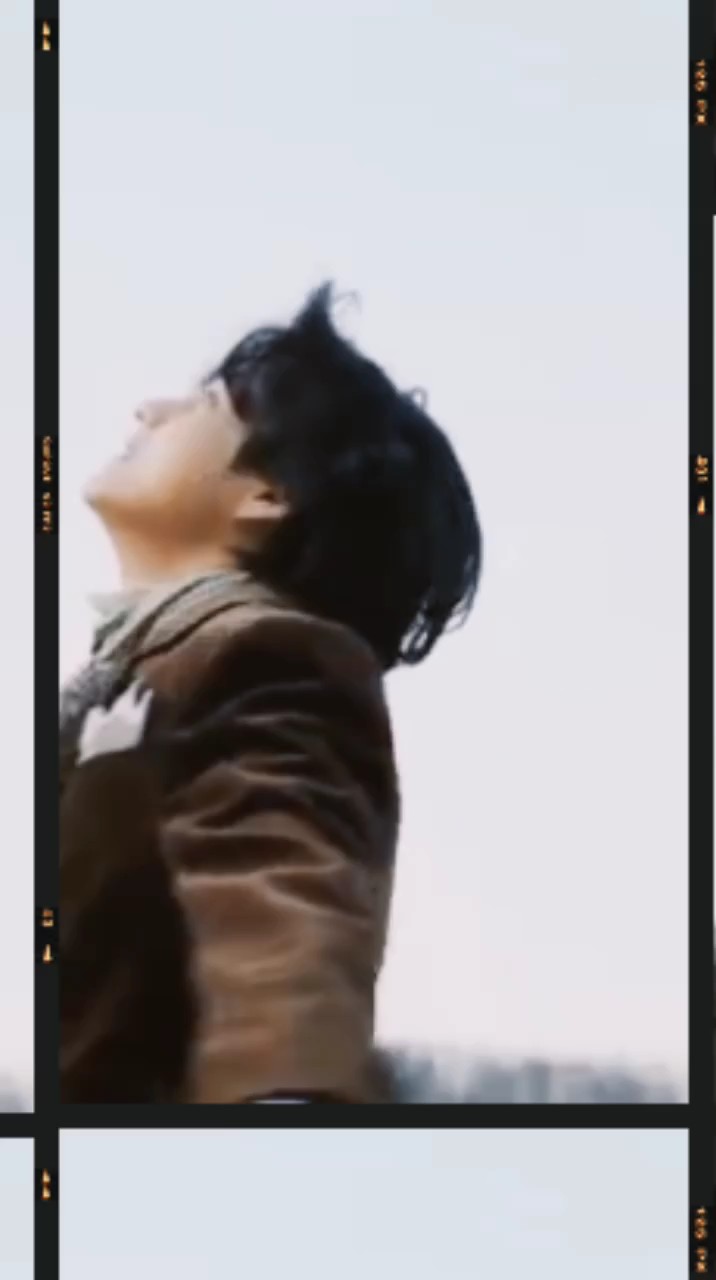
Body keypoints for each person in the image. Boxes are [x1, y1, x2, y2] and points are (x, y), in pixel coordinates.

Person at [59, 284, 482, 1103]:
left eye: (203, 404)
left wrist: (284, 1096)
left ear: (268, 495)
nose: (150, 409)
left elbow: (281, 896)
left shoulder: (270, 656)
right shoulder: (137, 667)